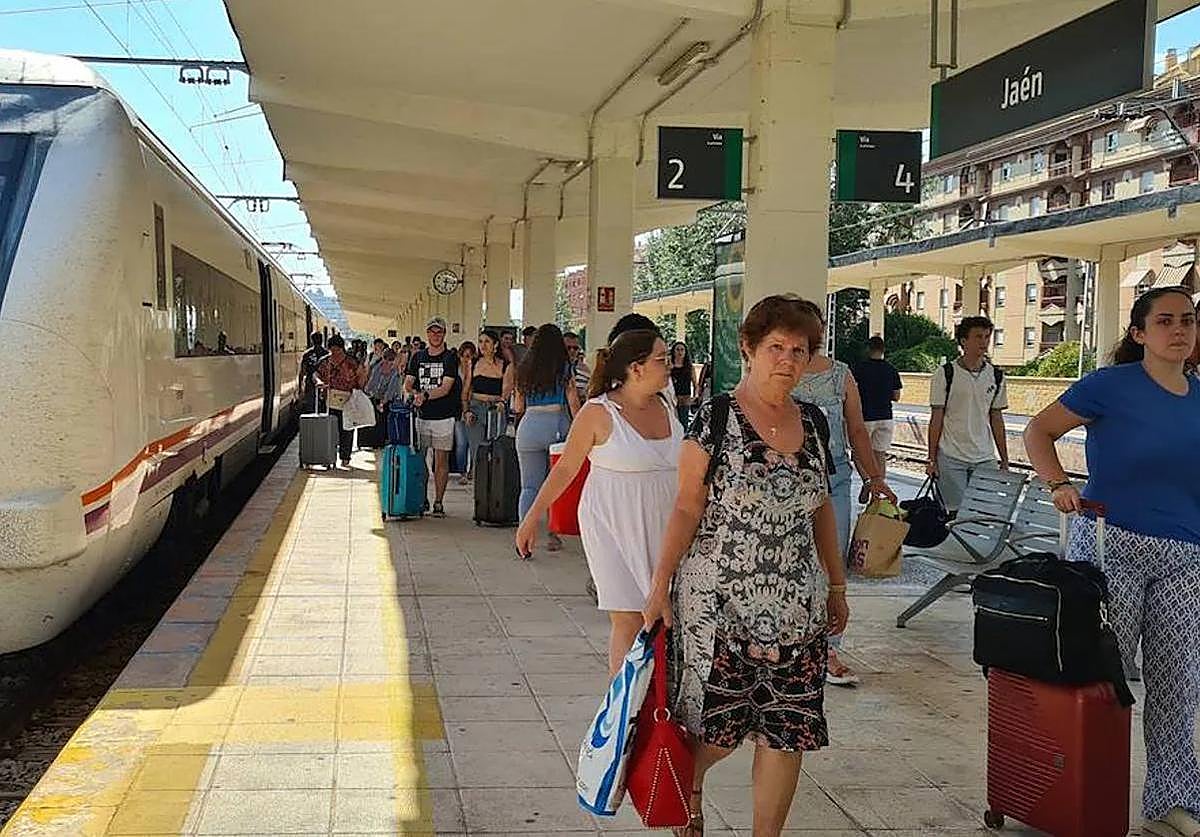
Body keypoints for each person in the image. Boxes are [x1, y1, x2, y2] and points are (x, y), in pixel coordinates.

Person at [642, 295, 847, 837]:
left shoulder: (816, 422)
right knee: (719, 729)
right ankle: (691, 786)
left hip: (798, 609)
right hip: (720, 606)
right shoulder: (715, 416)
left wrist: (837, 584)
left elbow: (821, 505)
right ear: (749, 350)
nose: (787, 359)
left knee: (788, 733)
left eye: (799, 350)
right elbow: (687, 505)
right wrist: (659, 584)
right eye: (775, 347)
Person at [1024, 287, 1200, 837]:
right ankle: (1080, 794)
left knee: (1178, 683)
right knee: (1101, 680)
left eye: (1189, 321)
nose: (1180, 330)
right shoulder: (1109, 386)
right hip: (1109, 548)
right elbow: (1039, 430)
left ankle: (1171, 800)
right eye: (1166, 321)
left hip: (1183, 554)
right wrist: (1057, 484)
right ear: (1139, 333)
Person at [515, 330, 681, 674]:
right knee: (628, 617)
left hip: (668, 524)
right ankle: (623, 714)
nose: (669, 366)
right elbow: (565, 471)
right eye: (661, 359)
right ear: (636, 368)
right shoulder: (598, 412)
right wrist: (531, 518)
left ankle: (661, 708)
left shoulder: (666, 402)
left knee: (667, 617)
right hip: (613, 524)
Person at [792, 300, 895, 687]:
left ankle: (829, 646)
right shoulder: (781, 373)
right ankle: (795, 641)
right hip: (787, 483)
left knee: (831, 563)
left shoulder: (841, 375)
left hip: (833, 480)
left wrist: (873, 476)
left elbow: (856, 431)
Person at [926, 315, 1010, 513]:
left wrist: (1004, 459)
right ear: (964, 341)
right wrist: (931, 459)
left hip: (985, 456)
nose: (984, 342)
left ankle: (978, 545)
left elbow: (996, 418)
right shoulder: (945, 374)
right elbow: (936, 418)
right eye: (978, 337)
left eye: (987, 337)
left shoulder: (996, 376)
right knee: (955, 513)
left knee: (984, 511)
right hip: (951, 455)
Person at [513, 324, 582, 552]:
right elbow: (572, 401)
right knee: (556, 485)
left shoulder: (524, 368)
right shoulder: (563, 368)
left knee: (529, 487)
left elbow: (518, 406)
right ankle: (553, 536)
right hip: (556, 427)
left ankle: (524, 536)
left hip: (528, 427)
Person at [404, 317, 460, 518]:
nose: (435, 335)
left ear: (444, 334)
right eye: (432, 331)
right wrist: (412, 393)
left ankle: (438, 501)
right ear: (427, 334)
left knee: (441, 460)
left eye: (439, 332)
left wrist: (425, 395)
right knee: (420, 460)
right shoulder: (417, 357)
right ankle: (422, 498)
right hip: (421, 416)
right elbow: (408, 383)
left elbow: (446, 387)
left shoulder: (450, 358)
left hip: (443, 416)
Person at [851, 336, 903, 504]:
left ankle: (868, 481)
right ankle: (877, 493)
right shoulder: (891, 369)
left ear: (868, 349)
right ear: (883, 350)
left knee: (858, 454)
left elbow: (851, 393)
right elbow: (896, 396)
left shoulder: (859, 369)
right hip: (886, 417)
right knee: (880, 455)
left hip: (864, 417)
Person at [463, 330, 513, 475]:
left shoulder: (506, 365)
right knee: (477, 450)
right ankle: (478, 481)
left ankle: (495, 483)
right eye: (480, 341)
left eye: (487, 342)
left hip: (495, 410)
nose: (483, 345)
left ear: (495, 344)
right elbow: (466, 389)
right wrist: (466, 411)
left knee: (496, 448)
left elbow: (506, 390)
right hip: (476, 407)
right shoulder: (473, 363)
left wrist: (503, 402)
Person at [314, 335, 367, 467]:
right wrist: (319, 382)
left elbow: (362, 375)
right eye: (332, 350)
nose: (335, 353)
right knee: (328, 430)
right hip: (328, 400)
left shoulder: (352, 362)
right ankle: (328, 456)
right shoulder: (324, 361)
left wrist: (359, 389)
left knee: (347, 429)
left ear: (342, 349)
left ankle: (345, 456)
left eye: (337, 350)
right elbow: (315, 374)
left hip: (348, 400)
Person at [363, 348, 402, 448]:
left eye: (391, 359)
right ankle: (372, 442)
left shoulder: (395, 372)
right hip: (375, 396)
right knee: (374, 421)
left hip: (389, 400)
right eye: (385, 358)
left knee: (383, 421)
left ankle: (382, 441)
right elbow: (371, 382)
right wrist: (367, 393)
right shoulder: (377, 367)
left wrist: (382, 402)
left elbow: (391, 390)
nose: (387, 361)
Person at [455, 342, 477, 483]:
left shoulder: (476, 370)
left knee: (473, 442)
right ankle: (462, 471)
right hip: (458, 410)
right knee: (462, 443)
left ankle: (472, 470)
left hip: (473, 407)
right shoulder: (455, 370)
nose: (467, 359)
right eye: (464, 356)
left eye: (470, 356)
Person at [299, 332, 329, 414]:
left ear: (312, 341)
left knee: (311, 408)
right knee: (324, 407)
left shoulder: (307, 354)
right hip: (325, 384)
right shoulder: (327, 354)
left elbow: (302, 372)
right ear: (322, 340)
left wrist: (300, 388)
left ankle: (312, 424)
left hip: (310, 384)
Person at [669, 341, 696, 426]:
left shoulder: (689, 367)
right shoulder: (669, 367)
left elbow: (695, 383)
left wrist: (694, 397)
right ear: (673, 351)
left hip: (685, 398)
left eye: (682, 350)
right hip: (672, 398)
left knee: (684, 422)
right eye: (677, 349)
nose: (680, 352)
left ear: (685, 352)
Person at [564, 331, 591, 402]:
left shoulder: (585, 370)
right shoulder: (555, 370)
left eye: (575, 348)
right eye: (568, 348)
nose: (572, 351)